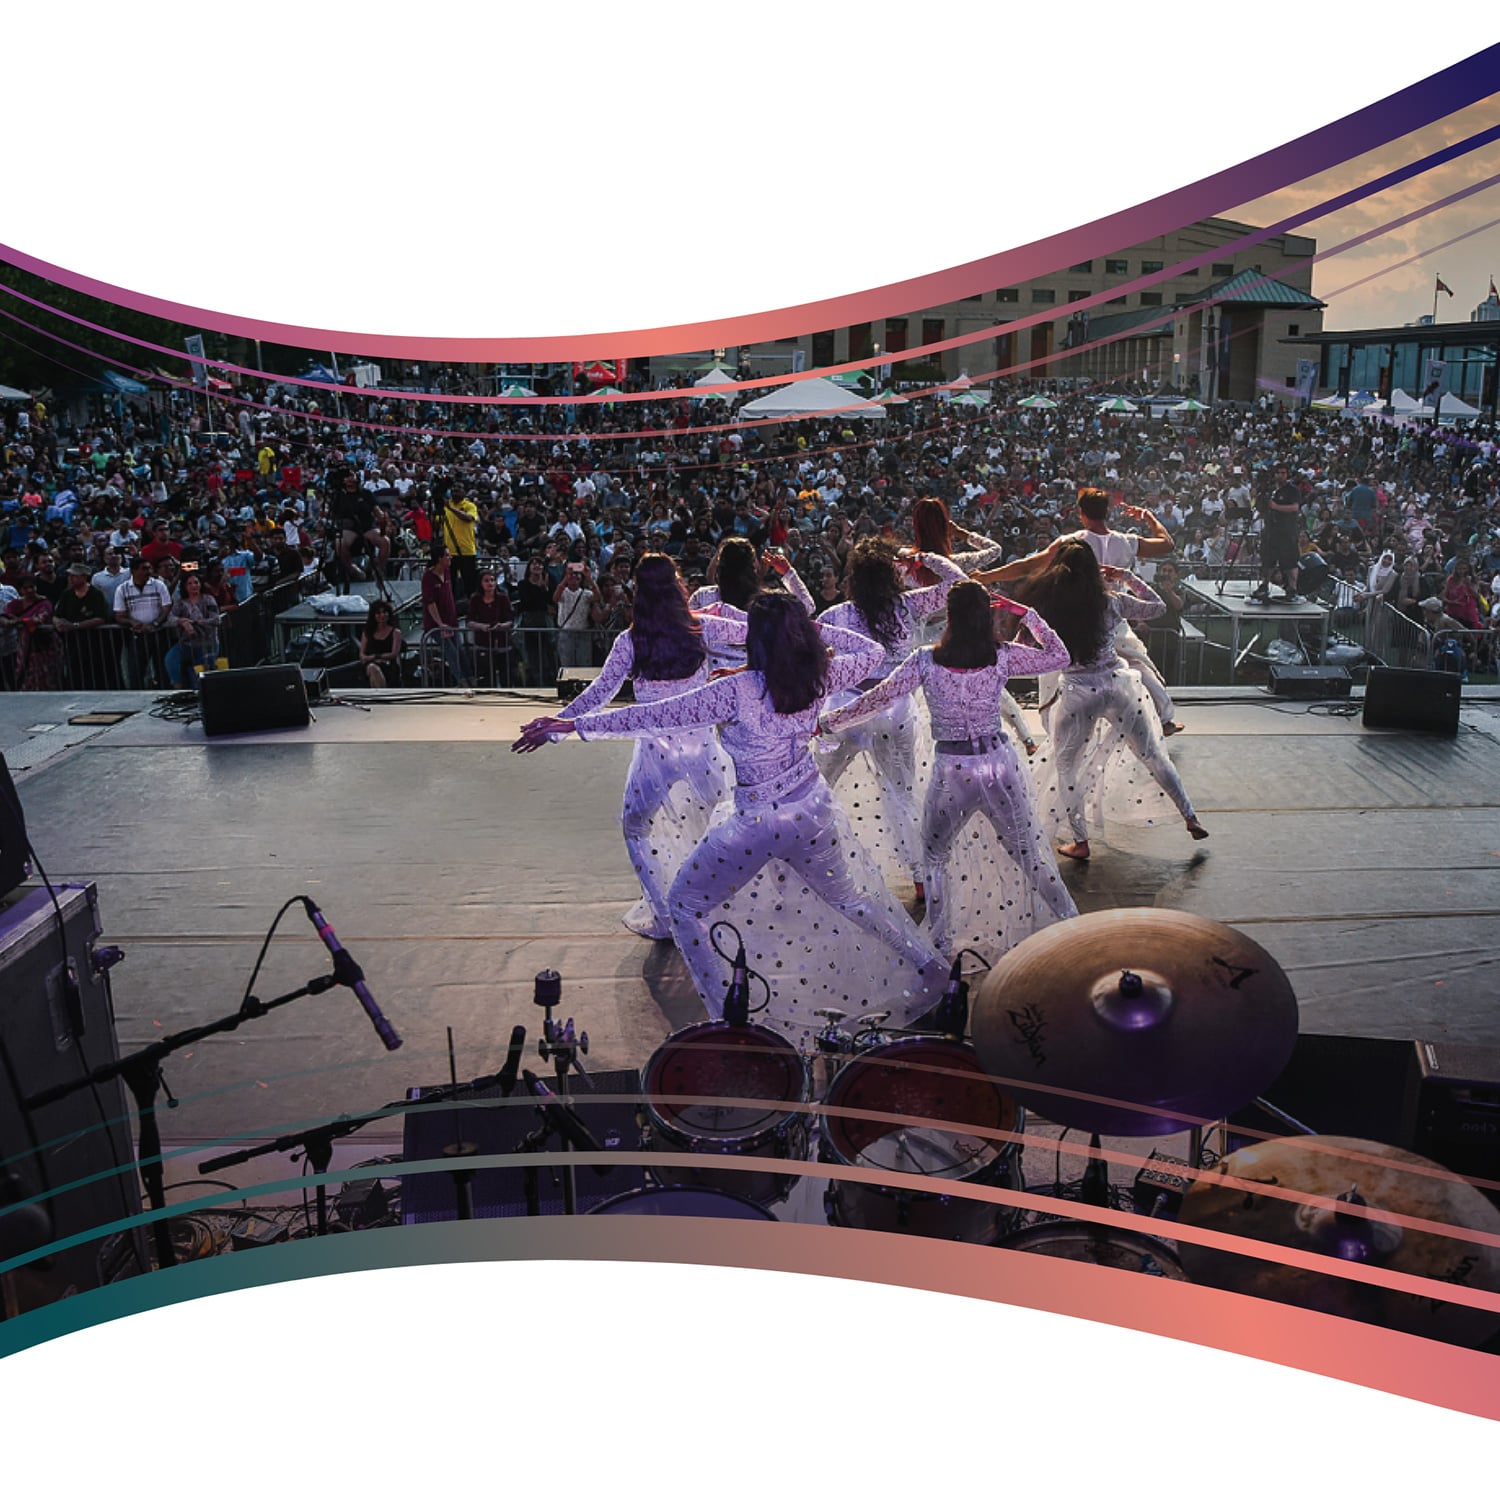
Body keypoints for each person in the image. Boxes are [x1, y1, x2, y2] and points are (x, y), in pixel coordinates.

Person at [513, 594, 948, 1037]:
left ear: (752, 639)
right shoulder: (821, 672)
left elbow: (654, 715)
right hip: (812, 809)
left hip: (756, 822)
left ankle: (728, 1017)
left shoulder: (734, 690)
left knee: (684, 904)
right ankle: (930, 969)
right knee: (852, 900)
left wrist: (573, 725)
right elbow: (872, 653)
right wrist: (812, 630)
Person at [820, 582, 1077, 965]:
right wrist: (1028, 615)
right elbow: (1060, 656)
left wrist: (828, 721)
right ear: (987, 616)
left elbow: (879, 696)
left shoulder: (925, 660)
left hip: (953, 772)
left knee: (935, 859)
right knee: (1028, 853)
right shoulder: (1002, 655)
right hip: (999, 763)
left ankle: (940, 945)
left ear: (949, 617)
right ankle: (1073, 925)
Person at [534, 554, 745, 940]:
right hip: (702, 750)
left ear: (638, 591)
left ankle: (665, 915)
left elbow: (600, 693)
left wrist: (558, 723)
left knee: (636, 828)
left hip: (656, 755)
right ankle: (722, 902)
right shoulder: (704, 628)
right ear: (678, 586)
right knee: (722, 825)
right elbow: (757, 630)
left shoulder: (631, 641)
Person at [1016, 539, 1208, 862]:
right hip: (1118, 685)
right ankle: (1190, 817)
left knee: (1066, 766)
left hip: (1078, 691)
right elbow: (1159, 607)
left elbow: (1023, 647)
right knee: (1153, 755)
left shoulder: (1049, 608)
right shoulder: (1112, 601)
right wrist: (1126, 576)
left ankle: (1081, 841)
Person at [815, 539, 967, 893]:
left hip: (844, 712)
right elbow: (959, 584)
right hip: (895, 710)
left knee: (819, 788)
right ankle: (918, 876)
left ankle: (814, 866)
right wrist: (923, 557)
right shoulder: (909, 606)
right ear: (892, 574)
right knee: (901, 793)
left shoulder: (834, 616)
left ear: (851, 577)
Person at [113, 555, 173, 688]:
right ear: (133, 571)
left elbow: (166, 607)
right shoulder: (122, 589)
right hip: (137, 636)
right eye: (144, 569)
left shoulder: (158, 585)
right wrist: (132, 622)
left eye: (149, 568)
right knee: (136, 672)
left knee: (163, 671)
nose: (148, 571)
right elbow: (119, 615)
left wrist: (155, 623)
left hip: (159, 633)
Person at [53, 563, 115, 688]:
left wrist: (76, 625)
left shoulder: (95, 594)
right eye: (69, 576)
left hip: (94, 642)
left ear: (84, 577)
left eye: (74, 576)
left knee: (95, 673)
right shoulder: (67, 594)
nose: (70, 579)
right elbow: (56, 614)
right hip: (72, 642)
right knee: (75, 672)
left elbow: (101, 617)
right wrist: (58, 623)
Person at [422, 545, 472, 688]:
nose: (450, 558)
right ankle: (462, 682)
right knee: (450, 651)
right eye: (447, 555)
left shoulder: (448, 572)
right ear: (439, 558)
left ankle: (470, 678)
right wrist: (440, 623)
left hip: (451, 619)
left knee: (460, 650)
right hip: (436, 623)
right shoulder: (428, 577)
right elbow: (430, 603)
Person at [1252, 465, 1303, 603]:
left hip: (1287, 531)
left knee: (1289, 561)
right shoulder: (1270, 490)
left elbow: (1295, 507)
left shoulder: (1292, 490)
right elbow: (1261, 507)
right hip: (1270, 530)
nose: (1281, 475)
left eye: (1283, 472)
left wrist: (1276, 507)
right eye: (1278, 473)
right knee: (1268, 560)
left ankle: (1292, 589)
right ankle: (1264, 585)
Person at [165, 570, 221, 686]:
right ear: (185, 587)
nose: (193, 586)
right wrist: (182, 621)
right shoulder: (180, 603)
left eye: (196, 582)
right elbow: (170, 618)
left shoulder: (208, 599)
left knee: (197, 679)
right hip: (186, 644)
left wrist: (196, 622)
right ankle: (177, 687)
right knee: (171, 659)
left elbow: (216, 619)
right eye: (189, 583)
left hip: (207, 644)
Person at [3, 576, 58, 690]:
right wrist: (11, 621)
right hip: (24, 646)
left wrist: (18, 621)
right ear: (20, 590)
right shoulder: (16, 604)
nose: (29, 591)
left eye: (32, 587)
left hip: (44, 646)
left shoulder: (44, 603)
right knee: (25, 677)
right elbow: (6, 616)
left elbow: (39, 618)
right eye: (25, 588)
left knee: (46, 677)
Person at [466, 570, 513, 686]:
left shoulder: (503, 598)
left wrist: (501, 626)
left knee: (505, 676)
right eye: (486, 581)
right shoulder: (475, 599)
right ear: (481, 583)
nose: (490, 583)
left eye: (492, 580)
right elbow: (469, 621)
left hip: (502, 642)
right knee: (486, 678)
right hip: (483, 643)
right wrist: (481, 626)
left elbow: (510, 620)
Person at [360, 597, 404, 687]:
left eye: (384, 612)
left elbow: (394, 654)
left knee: (375, 672)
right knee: (372, 668)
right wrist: (374, 658)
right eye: (378, 613)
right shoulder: (367, 632)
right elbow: (362, 655)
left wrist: (379, 657)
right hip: (371, 664)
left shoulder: (395, 632)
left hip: (389, 665)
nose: (382, 615)